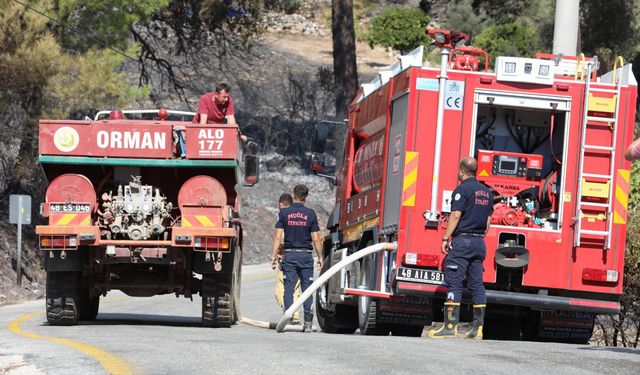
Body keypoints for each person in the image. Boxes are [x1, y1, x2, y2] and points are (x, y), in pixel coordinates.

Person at [428, 157, 493, 340]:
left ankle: (449, 327)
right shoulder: (486, 193)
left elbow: (455, 215)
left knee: (454, 282)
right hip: (479, 243)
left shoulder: (462, 190)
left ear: (462, 172)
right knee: (477, 285)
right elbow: (488, 221)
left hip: (462, 242)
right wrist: (478, 237)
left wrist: (445, 237)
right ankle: (477, 329)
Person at [271, 184, 324, 332]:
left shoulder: (285, 213)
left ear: (293, 196)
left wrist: (273, 256)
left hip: (290, 254)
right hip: (306, 256)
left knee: (289, 288)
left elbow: (277, 237)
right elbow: (316, 239)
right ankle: (307, 323)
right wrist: (320, 257)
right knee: (307, 289)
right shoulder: (311, 214)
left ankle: (287, 319)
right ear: (306, 198)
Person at [273, 193, 301, 324]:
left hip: (286, 257)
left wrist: (275, 254)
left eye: (280, 208)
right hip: (302, 256)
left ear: (282, 205)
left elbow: (280, 238)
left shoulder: (284, 217)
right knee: (295, 289)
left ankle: (289, 312)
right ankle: (295, 316)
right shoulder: (301, 216)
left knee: (280, 290)